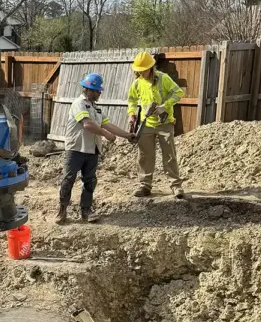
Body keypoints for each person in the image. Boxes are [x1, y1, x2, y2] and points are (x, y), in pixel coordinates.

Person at [56, 73, 135, 224]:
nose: (100, 93)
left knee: (90, 181)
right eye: (98, 90)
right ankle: (62, 209)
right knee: (68, 179)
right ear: (89, 90)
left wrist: (126, 135)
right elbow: (87, 124)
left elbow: (108, 124)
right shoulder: (79, 104)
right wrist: (106, 134)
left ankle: (86, 211)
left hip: (92, 150)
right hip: (76, 149)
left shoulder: (96, 109)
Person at [127, 51, 186, 199]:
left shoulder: (163, 79)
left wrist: (165, 106)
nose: (141, 73)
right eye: (138, 71)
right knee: (145, 156)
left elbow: (178, 93)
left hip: (164, 123)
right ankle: (145, 185)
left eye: (143, 70)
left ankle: (176, 185)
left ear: (151, 68)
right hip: (146, 124)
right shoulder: (137, 83)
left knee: (169, 155)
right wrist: (132, 113)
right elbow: (132, 100)